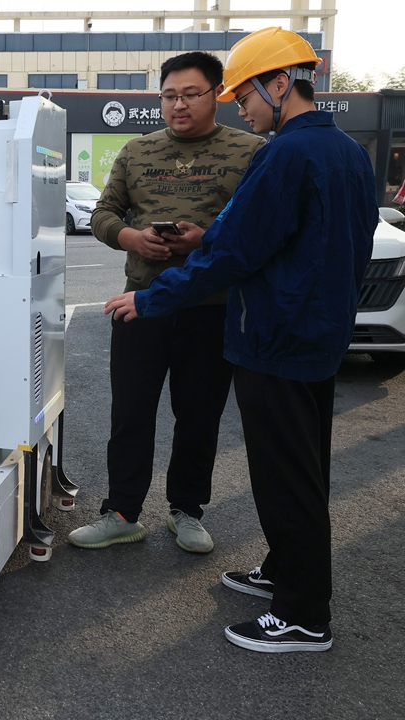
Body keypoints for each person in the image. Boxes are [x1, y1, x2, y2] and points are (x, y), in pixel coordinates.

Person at [104, 27, 377, 652]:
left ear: (280, 83)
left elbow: (233, 253)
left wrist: (150, 298)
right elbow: (351, 247)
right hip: (317, 334)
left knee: (287, 478)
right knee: (303, 467)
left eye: (244, 95)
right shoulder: (348, 152)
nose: (242, 107)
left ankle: (304, 614)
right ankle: (284, 570)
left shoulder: (283, 154)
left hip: (276, 337)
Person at [68, 52, 264, 554]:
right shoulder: (137, 152)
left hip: (211, 307)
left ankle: (188, 510)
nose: (178, 104)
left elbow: (256, 230)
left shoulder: (251, 151)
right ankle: (121, 512)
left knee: (198, 415)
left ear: (216, 93)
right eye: (169, 95)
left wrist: (203, 242)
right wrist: (132, 237)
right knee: (130, 412)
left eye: (190, 94)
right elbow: (102, 214)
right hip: (141, 303)